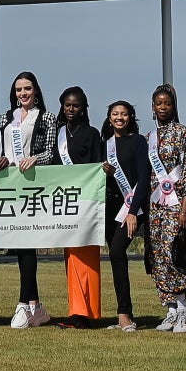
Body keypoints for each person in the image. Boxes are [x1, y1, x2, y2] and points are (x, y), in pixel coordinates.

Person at [0, 71, 59, 329]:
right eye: (19, 89)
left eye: (28, 88)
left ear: (36, 90)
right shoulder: (5, 119)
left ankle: (23, 304)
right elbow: (0, 150)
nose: (24, 93)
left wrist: (35, 158)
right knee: (21, 245)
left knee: (28, 243)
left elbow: (50, 152)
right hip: (11, 186)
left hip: (34, 185)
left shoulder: (46, 117)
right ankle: (36, 306)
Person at [50, 86, 107, 327]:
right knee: (71, 257)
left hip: (87, 203)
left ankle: (89, 312)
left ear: (83, 108)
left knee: (87, 258)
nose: (71, 109)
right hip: (66, 202)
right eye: (67, 105)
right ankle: (77, 311)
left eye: (76, 105)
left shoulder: (92, 134)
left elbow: (97, 167)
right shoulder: (58, 133)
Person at [146, 85, 186, 333]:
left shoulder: (182, 133)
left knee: (172, 253)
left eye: (167, 103)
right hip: (155, 205)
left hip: (176, 204)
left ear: (173, 106)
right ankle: (170, 309)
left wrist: (185, 208)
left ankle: (184, 308)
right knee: (158, 257)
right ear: (153, 107)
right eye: (158, 104)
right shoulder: (149, 137)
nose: (163, 108)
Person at [101, 100, 151, 332]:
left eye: (124, 114)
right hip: (109, 208)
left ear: (131, 117)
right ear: (109, 118)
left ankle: (124, 315)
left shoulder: (139, 142)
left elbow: (144, 178)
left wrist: (132, 212)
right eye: (115, 114)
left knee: (117, 251)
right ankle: (125, 314)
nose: (119, 118)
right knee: (116, 259)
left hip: (133, 207)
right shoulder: (105, 145)